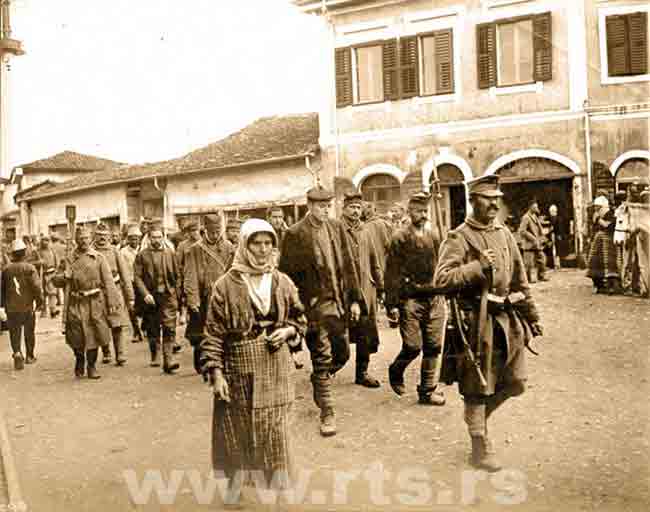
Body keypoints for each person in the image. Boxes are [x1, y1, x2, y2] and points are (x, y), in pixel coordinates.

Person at [433, 175, 543, 471]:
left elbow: (520, 278)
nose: (494, 203)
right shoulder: (458, 237)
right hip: (475, 324)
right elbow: (441, 281)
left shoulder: (505, 234)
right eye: (486, 198)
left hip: (508, 321)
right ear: (472, 201)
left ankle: (476, 419)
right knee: (477, 388)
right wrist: (476, 267)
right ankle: (479, 444)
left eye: (497, 198)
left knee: (516, 383)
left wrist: (532, 315)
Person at [199, 219, 306, 507]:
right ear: (244, 246)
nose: (262, 250)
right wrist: (217, 374)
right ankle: (234, 488)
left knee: (277, 431)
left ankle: (279, 489)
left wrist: (288, 331)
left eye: (268, 243)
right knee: (235, 430)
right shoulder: (226, 285)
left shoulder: (283, 281)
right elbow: (212, 333)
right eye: (256, 243)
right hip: (238, 365)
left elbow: (299, 318)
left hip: (276, 365)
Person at [279, 185, 362, 437]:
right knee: (322, 356)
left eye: (328, 206)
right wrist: (296, 308)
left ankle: (320, 378)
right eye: (321, 206)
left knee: (343, 354)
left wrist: (355, 299)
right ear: (310, 206)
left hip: (337, 303)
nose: (326, 210)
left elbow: (349, 265)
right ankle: (327, 411)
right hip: (313, 307)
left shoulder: (336, 228)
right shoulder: (295, 234)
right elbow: (287, 276)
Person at [384, 192, 447, 406]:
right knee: (412, 346)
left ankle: (427, 391)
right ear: (409, 212)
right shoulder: (399, 237)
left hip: (434, 296)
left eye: (425, 211)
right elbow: (391, 272)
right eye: (419, 211)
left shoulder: (435, 234)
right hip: (410, 299)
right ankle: (396, 369)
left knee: (434, 346)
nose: (423, 215)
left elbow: (443, 264)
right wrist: (391, 304)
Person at [53, 227, 121, 379]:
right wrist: (64, 276)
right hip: (75, 303)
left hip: (94, 303)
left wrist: (112, 301)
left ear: (90, 239)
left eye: (86, 238)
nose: (83, 241)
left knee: (94, 335)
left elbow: (108, 281)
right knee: (75, 336)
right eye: (80, 238)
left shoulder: (98, 258)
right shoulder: (68, 259)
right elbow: (55, 281)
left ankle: (91, 366)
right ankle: (79, 358)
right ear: (76, 240)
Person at [340, 191, 383, 388]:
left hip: (367, 288)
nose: (356, 211)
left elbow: (374, 260)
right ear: (344, 209)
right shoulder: (336, 230)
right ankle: (329, 366)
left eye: (358, 207)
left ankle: (362, 372)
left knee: (366, 332)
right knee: (339, 330)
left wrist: (381, 287)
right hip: (343, 289)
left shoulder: (366, 231)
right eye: (352, 207)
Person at [184, 213, 235, 374]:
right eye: (212, 231)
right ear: (205, 229)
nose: (215, 234)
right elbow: (190, 276)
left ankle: (221, 361)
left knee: (225, 330)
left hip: (225, 297)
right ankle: (202, 361)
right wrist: (193, 300)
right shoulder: (195, 250)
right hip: (205, 298)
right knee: (202, 332)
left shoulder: (229, 248)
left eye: (218, 230)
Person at [134, 223, 181, 373]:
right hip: (151, 297)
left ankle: (168, 361)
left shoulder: (170, 253)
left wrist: (176, 292)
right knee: (153, 328)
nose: (157, 240)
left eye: (159, 237)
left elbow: (177, 274)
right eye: (154, 237)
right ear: (149, 238)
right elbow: (137, 277)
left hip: (167, 295)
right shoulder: (142, 255)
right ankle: (155, 354)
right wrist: (145, 294)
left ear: (163, 237)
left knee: (169, 327)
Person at [93, 223, 133, 366]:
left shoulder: (115, 251)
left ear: (109, 236)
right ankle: (106, 352)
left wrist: (130, 296)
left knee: (117, 323)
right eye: (99, 235)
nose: (102, 238)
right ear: (94, 236)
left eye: (104, 235)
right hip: (97, 294)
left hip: (115, 291)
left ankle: (120, 353)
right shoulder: (91, 252)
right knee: (100, 324)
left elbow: (125, 274)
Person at [1, 239, 44, 370]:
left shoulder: (6, 269)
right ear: (25, 253)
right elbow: (36, 286)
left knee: (14, 331)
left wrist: (2, 305)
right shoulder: (30, 268)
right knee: (29, 331)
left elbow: (2, 289)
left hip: (11, 307)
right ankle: (30, 356)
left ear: (12, 254)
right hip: (27, 306)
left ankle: (17, 353)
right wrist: (40, 301)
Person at [587, 195, 619, 294]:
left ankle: (611, 286)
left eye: (597, 206)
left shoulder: (609, 213)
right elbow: (594, 227)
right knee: (594, 260)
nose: (596, 208)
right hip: (598, 240)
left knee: (609, 262)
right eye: (595, 206)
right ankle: (598, 284)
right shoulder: (596, 214)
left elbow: (609, 226)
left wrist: (598, 220)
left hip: (608, 240)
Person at [120, 224, 144, 343]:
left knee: (146, 305)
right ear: (128, 239)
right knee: (131, 307)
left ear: (139, 239)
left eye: (136, 238)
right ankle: (136, 331)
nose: (134, 240)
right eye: (132, 238)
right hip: (130, 282)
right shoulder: (123, 252)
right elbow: (123, 269)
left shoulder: (144, 249)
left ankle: (144, 327)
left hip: (143, 282)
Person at [518, 198, 548, 283]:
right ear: (530, 207)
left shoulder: (535, 216)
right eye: (535, 207)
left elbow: (539, 228)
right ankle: (526, 279)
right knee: (528, 264)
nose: (536, 208)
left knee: (542, 259)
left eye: (537, 207)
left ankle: (541, 276)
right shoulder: (525, 217)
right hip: (529, 244)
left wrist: (542, 237)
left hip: (536, 244)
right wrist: (532, 237)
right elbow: (522, 231)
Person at [361, 202, 393, 273]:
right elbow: (389, 246)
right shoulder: (385, 224)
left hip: (370, 265)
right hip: (383, 264)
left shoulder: (364, 227)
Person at [38, 235, 60, 318]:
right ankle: (44, 311)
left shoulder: (52, 251)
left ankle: (53, 311)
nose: (45, 242)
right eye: (44, 240)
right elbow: (30, 262)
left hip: (52, 274)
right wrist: (39, 262)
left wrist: (56, 271)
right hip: (42, 275)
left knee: (52, 293)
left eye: (47, 240)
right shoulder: (37, 252)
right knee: (43, 294)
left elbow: (57, 262)